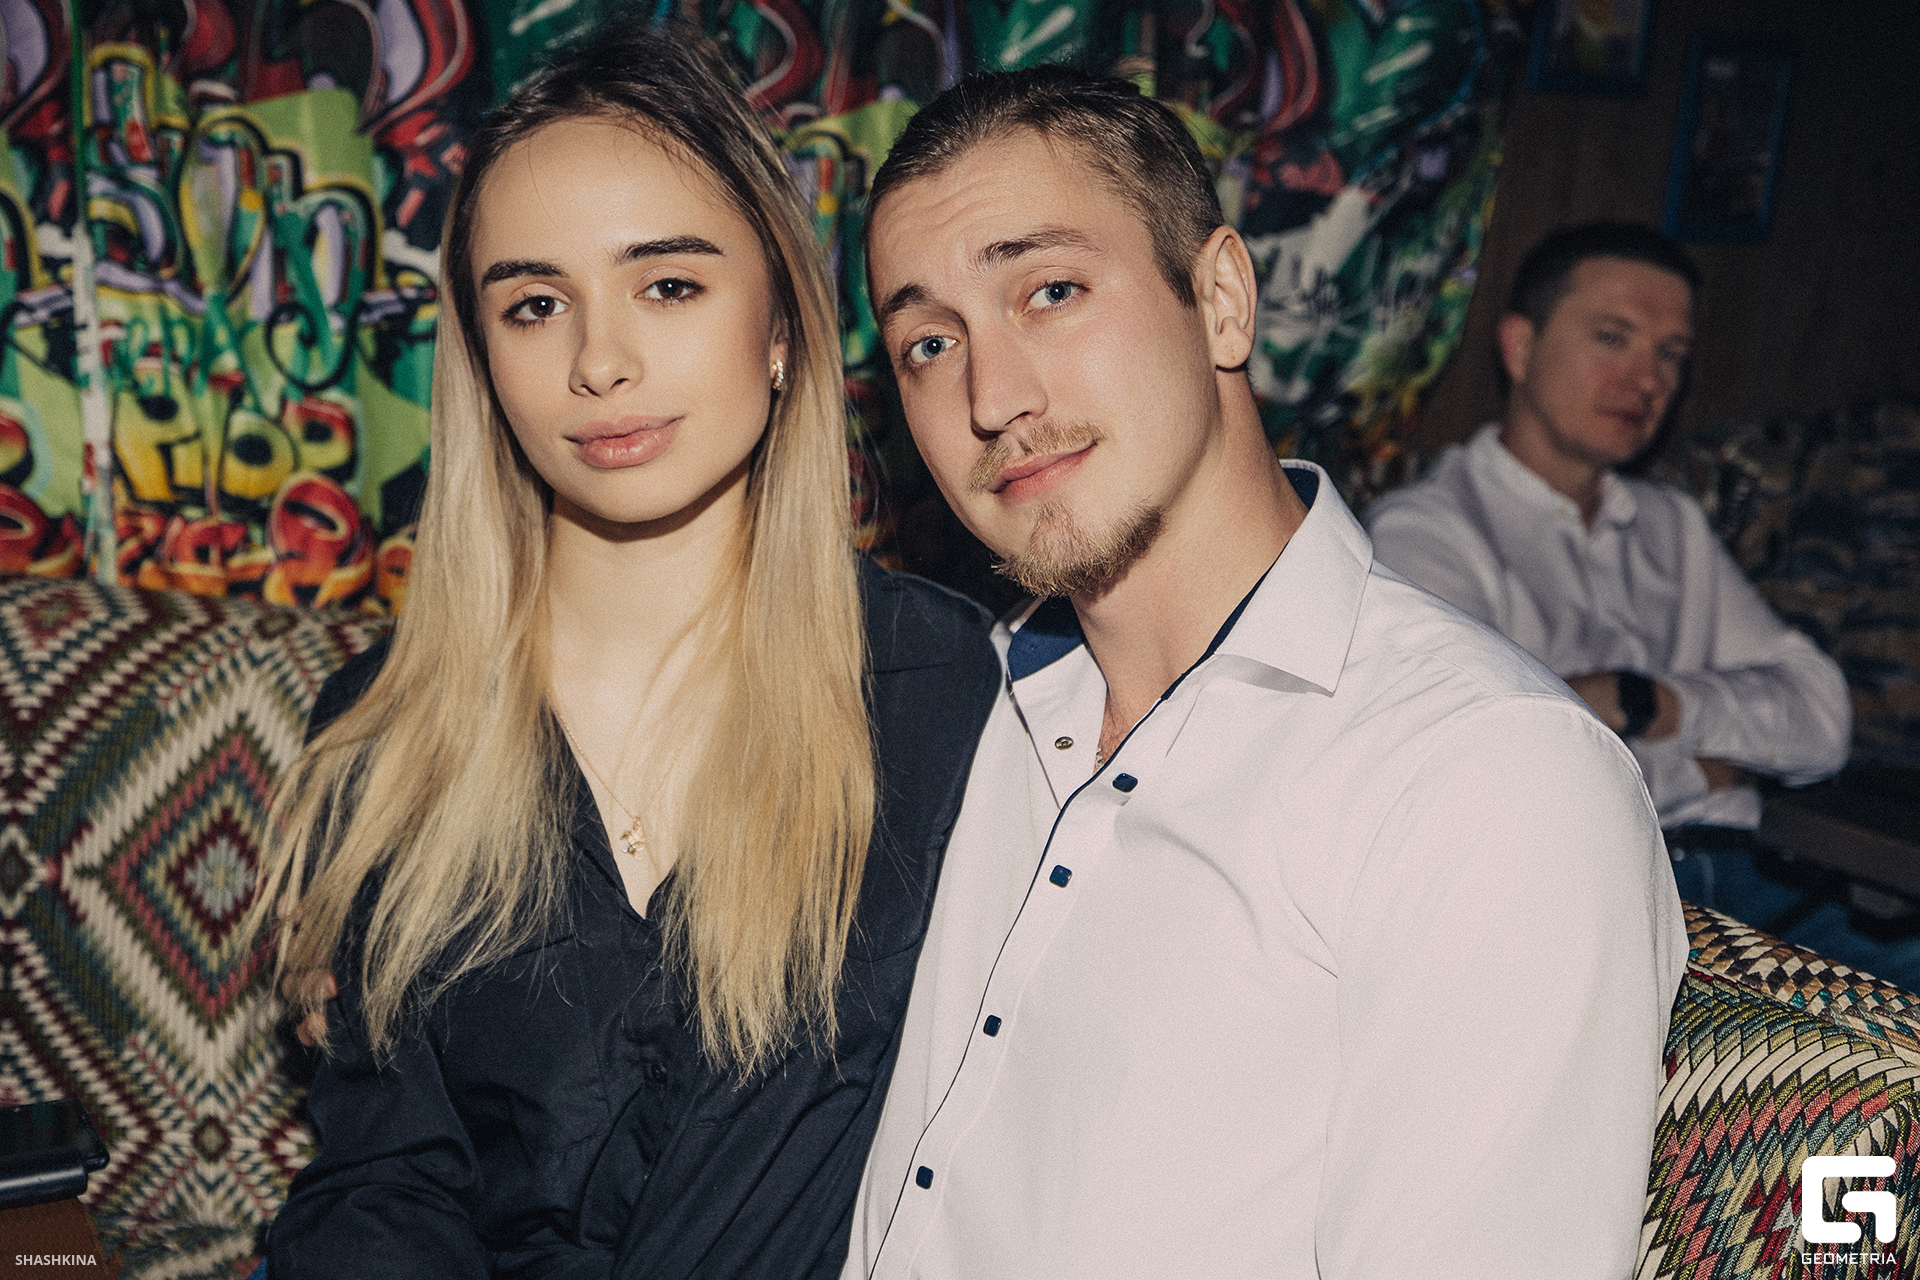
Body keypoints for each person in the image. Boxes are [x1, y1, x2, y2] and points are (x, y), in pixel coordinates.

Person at [841, 70, 1687, 1279]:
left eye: (1051, 291)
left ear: (1223, 301)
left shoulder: (1484, 778)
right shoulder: (961, 703)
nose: (993, 397)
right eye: (930, 343)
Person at [254, 26, 999, 1279]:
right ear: (485, 361)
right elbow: (385, 1185)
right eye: (536, 305)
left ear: (780, 323)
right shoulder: (389, 732)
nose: (599, 361)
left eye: (668, 285)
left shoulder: (956, 698)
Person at [1363, 222, 1872, 972]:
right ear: (1520, 347)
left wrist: (1653, 704)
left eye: (1671, 354)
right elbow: (1487, 772)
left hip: (1749, 876)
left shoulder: (1671, 525)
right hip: (1578, 893)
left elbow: (1822, 717)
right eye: (1613, 338)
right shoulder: (1429, 535)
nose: (1647, 381)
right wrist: (1708, 767)